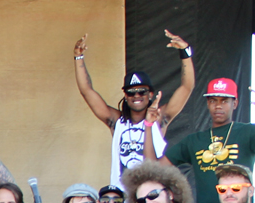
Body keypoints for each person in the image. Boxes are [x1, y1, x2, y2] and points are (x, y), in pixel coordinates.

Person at [146, 78, 255, 203]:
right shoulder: (194, 140)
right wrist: (148, 125)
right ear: (207, 103)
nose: (218, 106)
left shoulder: (249, 132)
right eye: (213, 100)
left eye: (224, 101)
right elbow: (153, 167)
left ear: (235, 103)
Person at [72, 31, 194, 190]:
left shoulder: (159, 118)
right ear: (125, 95)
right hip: (122, 196)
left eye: (142, 91)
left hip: (152, 195)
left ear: (150, 94)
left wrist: (185, 52)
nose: (136, 96)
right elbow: (87, 91)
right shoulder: (117, 121)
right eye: (131, 92)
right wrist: (78, 57)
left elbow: (186, 87)